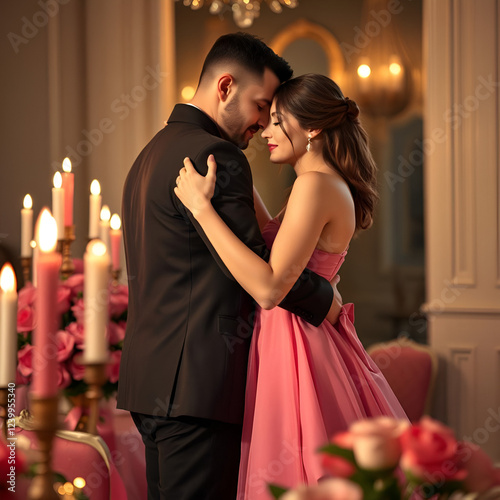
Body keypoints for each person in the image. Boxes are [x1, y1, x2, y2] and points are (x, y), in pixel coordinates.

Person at [117, 34, 342, 500]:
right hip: (200, 388)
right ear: (224, 87)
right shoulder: (217, 157)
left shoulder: (150, 154)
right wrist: (326, 297)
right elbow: (264, 275)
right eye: (262, 106)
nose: (263, 124)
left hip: (148, 382)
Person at [174, 73, 408, 499]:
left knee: (293, 472)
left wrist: (201, 209)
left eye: (278, 120)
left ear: (313, 127)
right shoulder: (318, 182)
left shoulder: (315, 185)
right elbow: (273, 239)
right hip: (297, 336)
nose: (266, 129)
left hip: (297, 342)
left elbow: (268, 287)